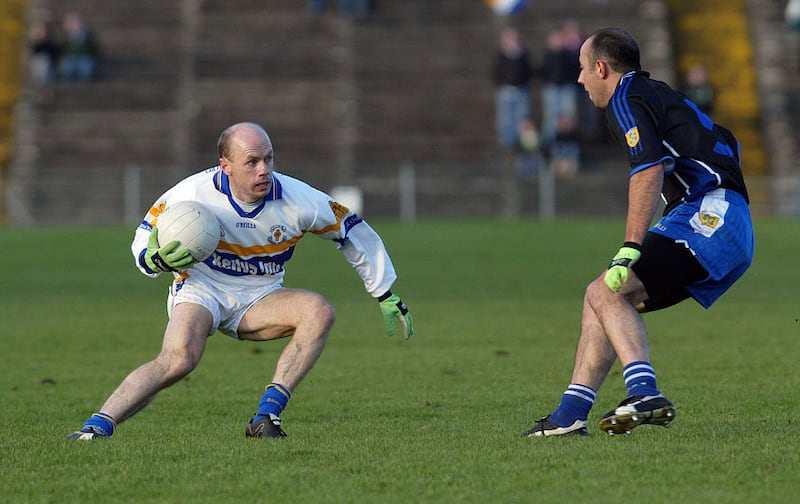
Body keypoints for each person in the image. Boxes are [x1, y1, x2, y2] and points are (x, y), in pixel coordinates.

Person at [67, 122, 414, 440]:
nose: (264, 169)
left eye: (268, 159)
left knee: (319, 311)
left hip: (260, 296)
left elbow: (353, 231)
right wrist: (152, 259)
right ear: (226, 165)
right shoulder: (191, 193)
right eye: (251, 162)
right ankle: (96, 428)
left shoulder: (300, 200)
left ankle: (266, 418)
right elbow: (144, 235)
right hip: (201, 288)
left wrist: (383, 291)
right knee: (178, 360)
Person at [523, 27, 754, 437]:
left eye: (582, 69)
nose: (579, 80)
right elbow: (726, 142)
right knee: (602, 297)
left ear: (601, 68)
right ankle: (570, 415)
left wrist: (630, 247)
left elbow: (647, 169)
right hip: (727, 222)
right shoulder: (661, 94)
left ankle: (644, 392)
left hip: (708, 216)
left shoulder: (626, 97)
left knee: (606, 292)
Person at [492, 26, 534, 151]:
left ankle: (522, 143)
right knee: (505, 119)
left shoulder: (523, 54)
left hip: (521, 89)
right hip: (505, 90)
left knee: (522, 118)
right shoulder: (500, 55)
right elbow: (496, 72)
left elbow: (528, 71)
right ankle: (507, 144)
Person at [57, 12, 99, 81]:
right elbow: (61, 49)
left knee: (85, 67)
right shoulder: (65, 36)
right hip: (70, 58)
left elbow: (94, 48)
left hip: (84, 57)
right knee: (67, 67)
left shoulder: (87, 34)